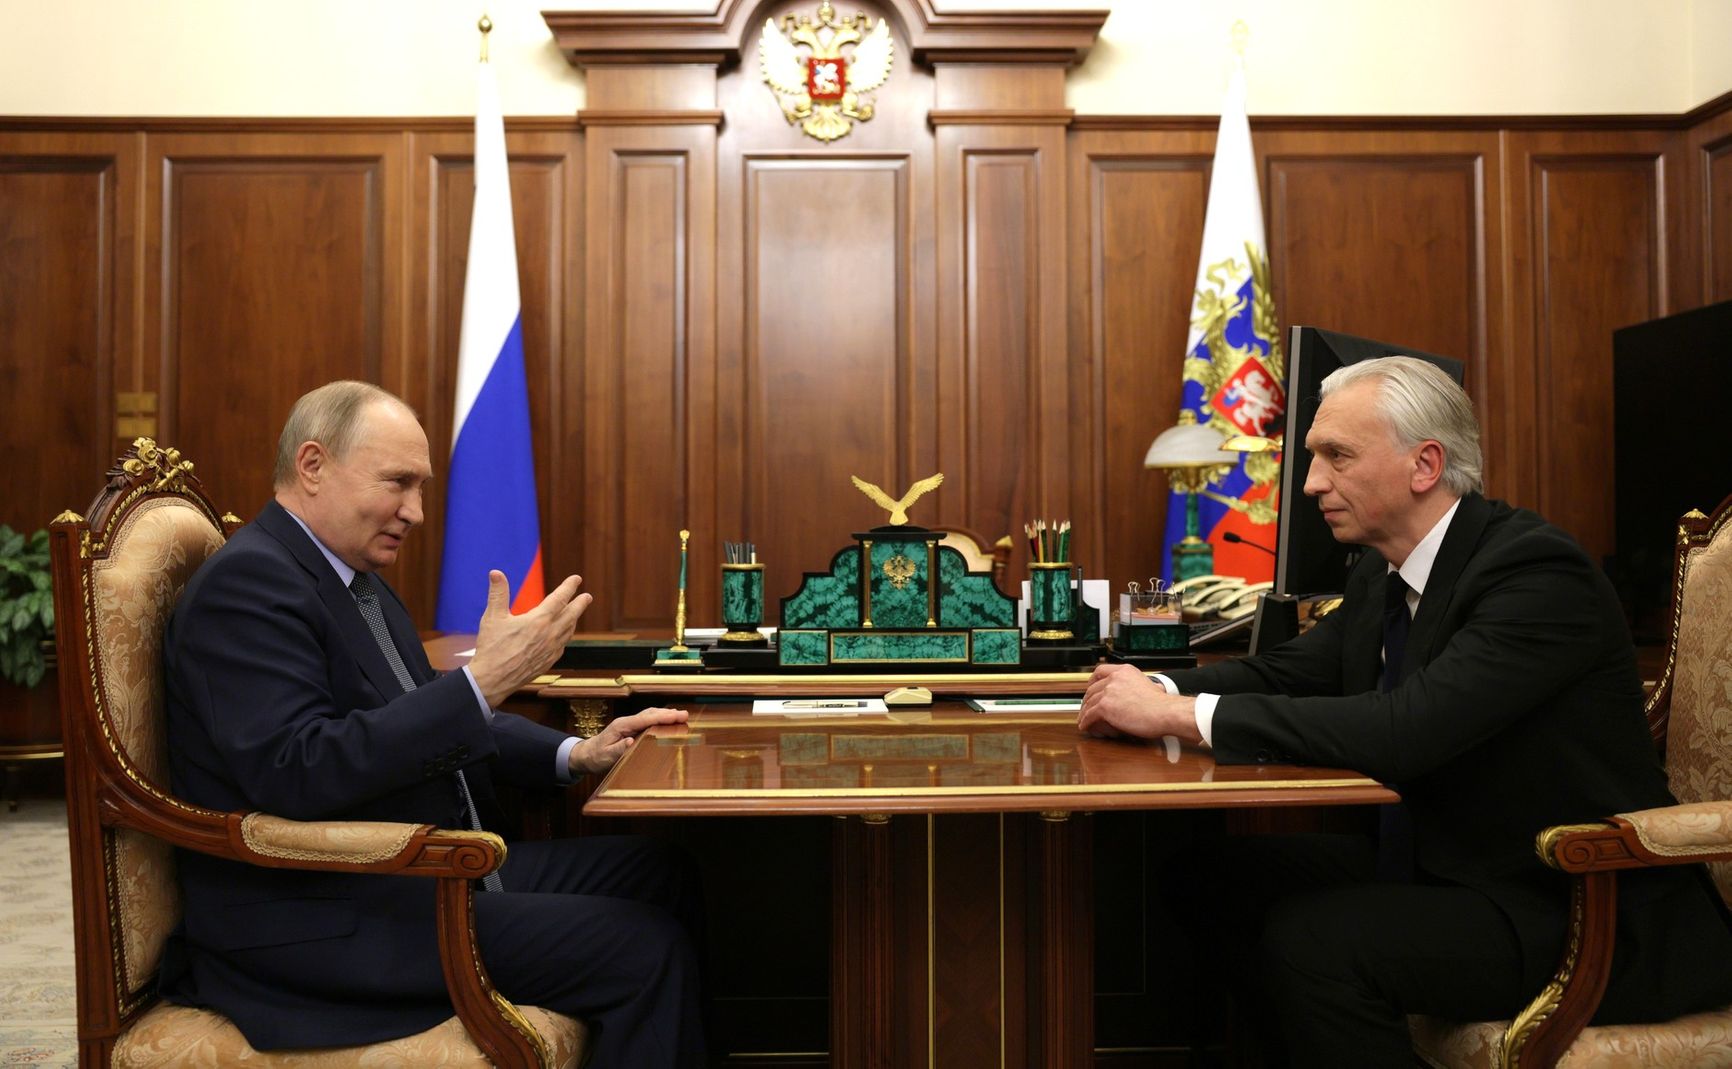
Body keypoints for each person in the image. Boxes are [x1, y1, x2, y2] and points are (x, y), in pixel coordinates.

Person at [1079, 357, 1732, 1066]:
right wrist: (1150, 688)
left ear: (1425, 465)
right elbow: (1289, 672)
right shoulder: (1384, 571)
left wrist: (1178, 717)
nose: (1311, 483)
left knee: (1313, 943)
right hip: (1444, 862)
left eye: (1337, 456)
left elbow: (1405, 731)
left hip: (1570, 902)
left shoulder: (1536, 573)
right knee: (1206, 879)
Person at [160, 380, 705, 1066]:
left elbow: (424, 708)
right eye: (397, 482)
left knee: (661, 870)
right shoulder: (248, 586)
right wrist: (482, 685)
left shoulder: (353, 579)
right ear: (313, 465)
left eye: (421, 487)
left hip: (413, 875)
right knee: (640, 946)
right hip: (318, 915)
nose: (416, 512)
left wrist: (577, 752)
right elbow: (298, 769)